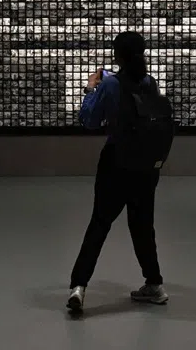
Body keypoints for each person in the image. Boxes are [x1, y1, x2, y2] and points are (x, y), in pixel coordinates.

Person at [67, 31, 168, 313]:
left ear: (117, 56)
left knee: (99, 224)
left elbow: (89, 120)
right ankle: (155, 284)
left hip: (116, 164)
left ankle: (79, 287)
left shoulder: (110, 85)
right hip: (146, 167)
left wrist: (90, 89)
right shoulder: (150, 83)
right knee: (143, 226)